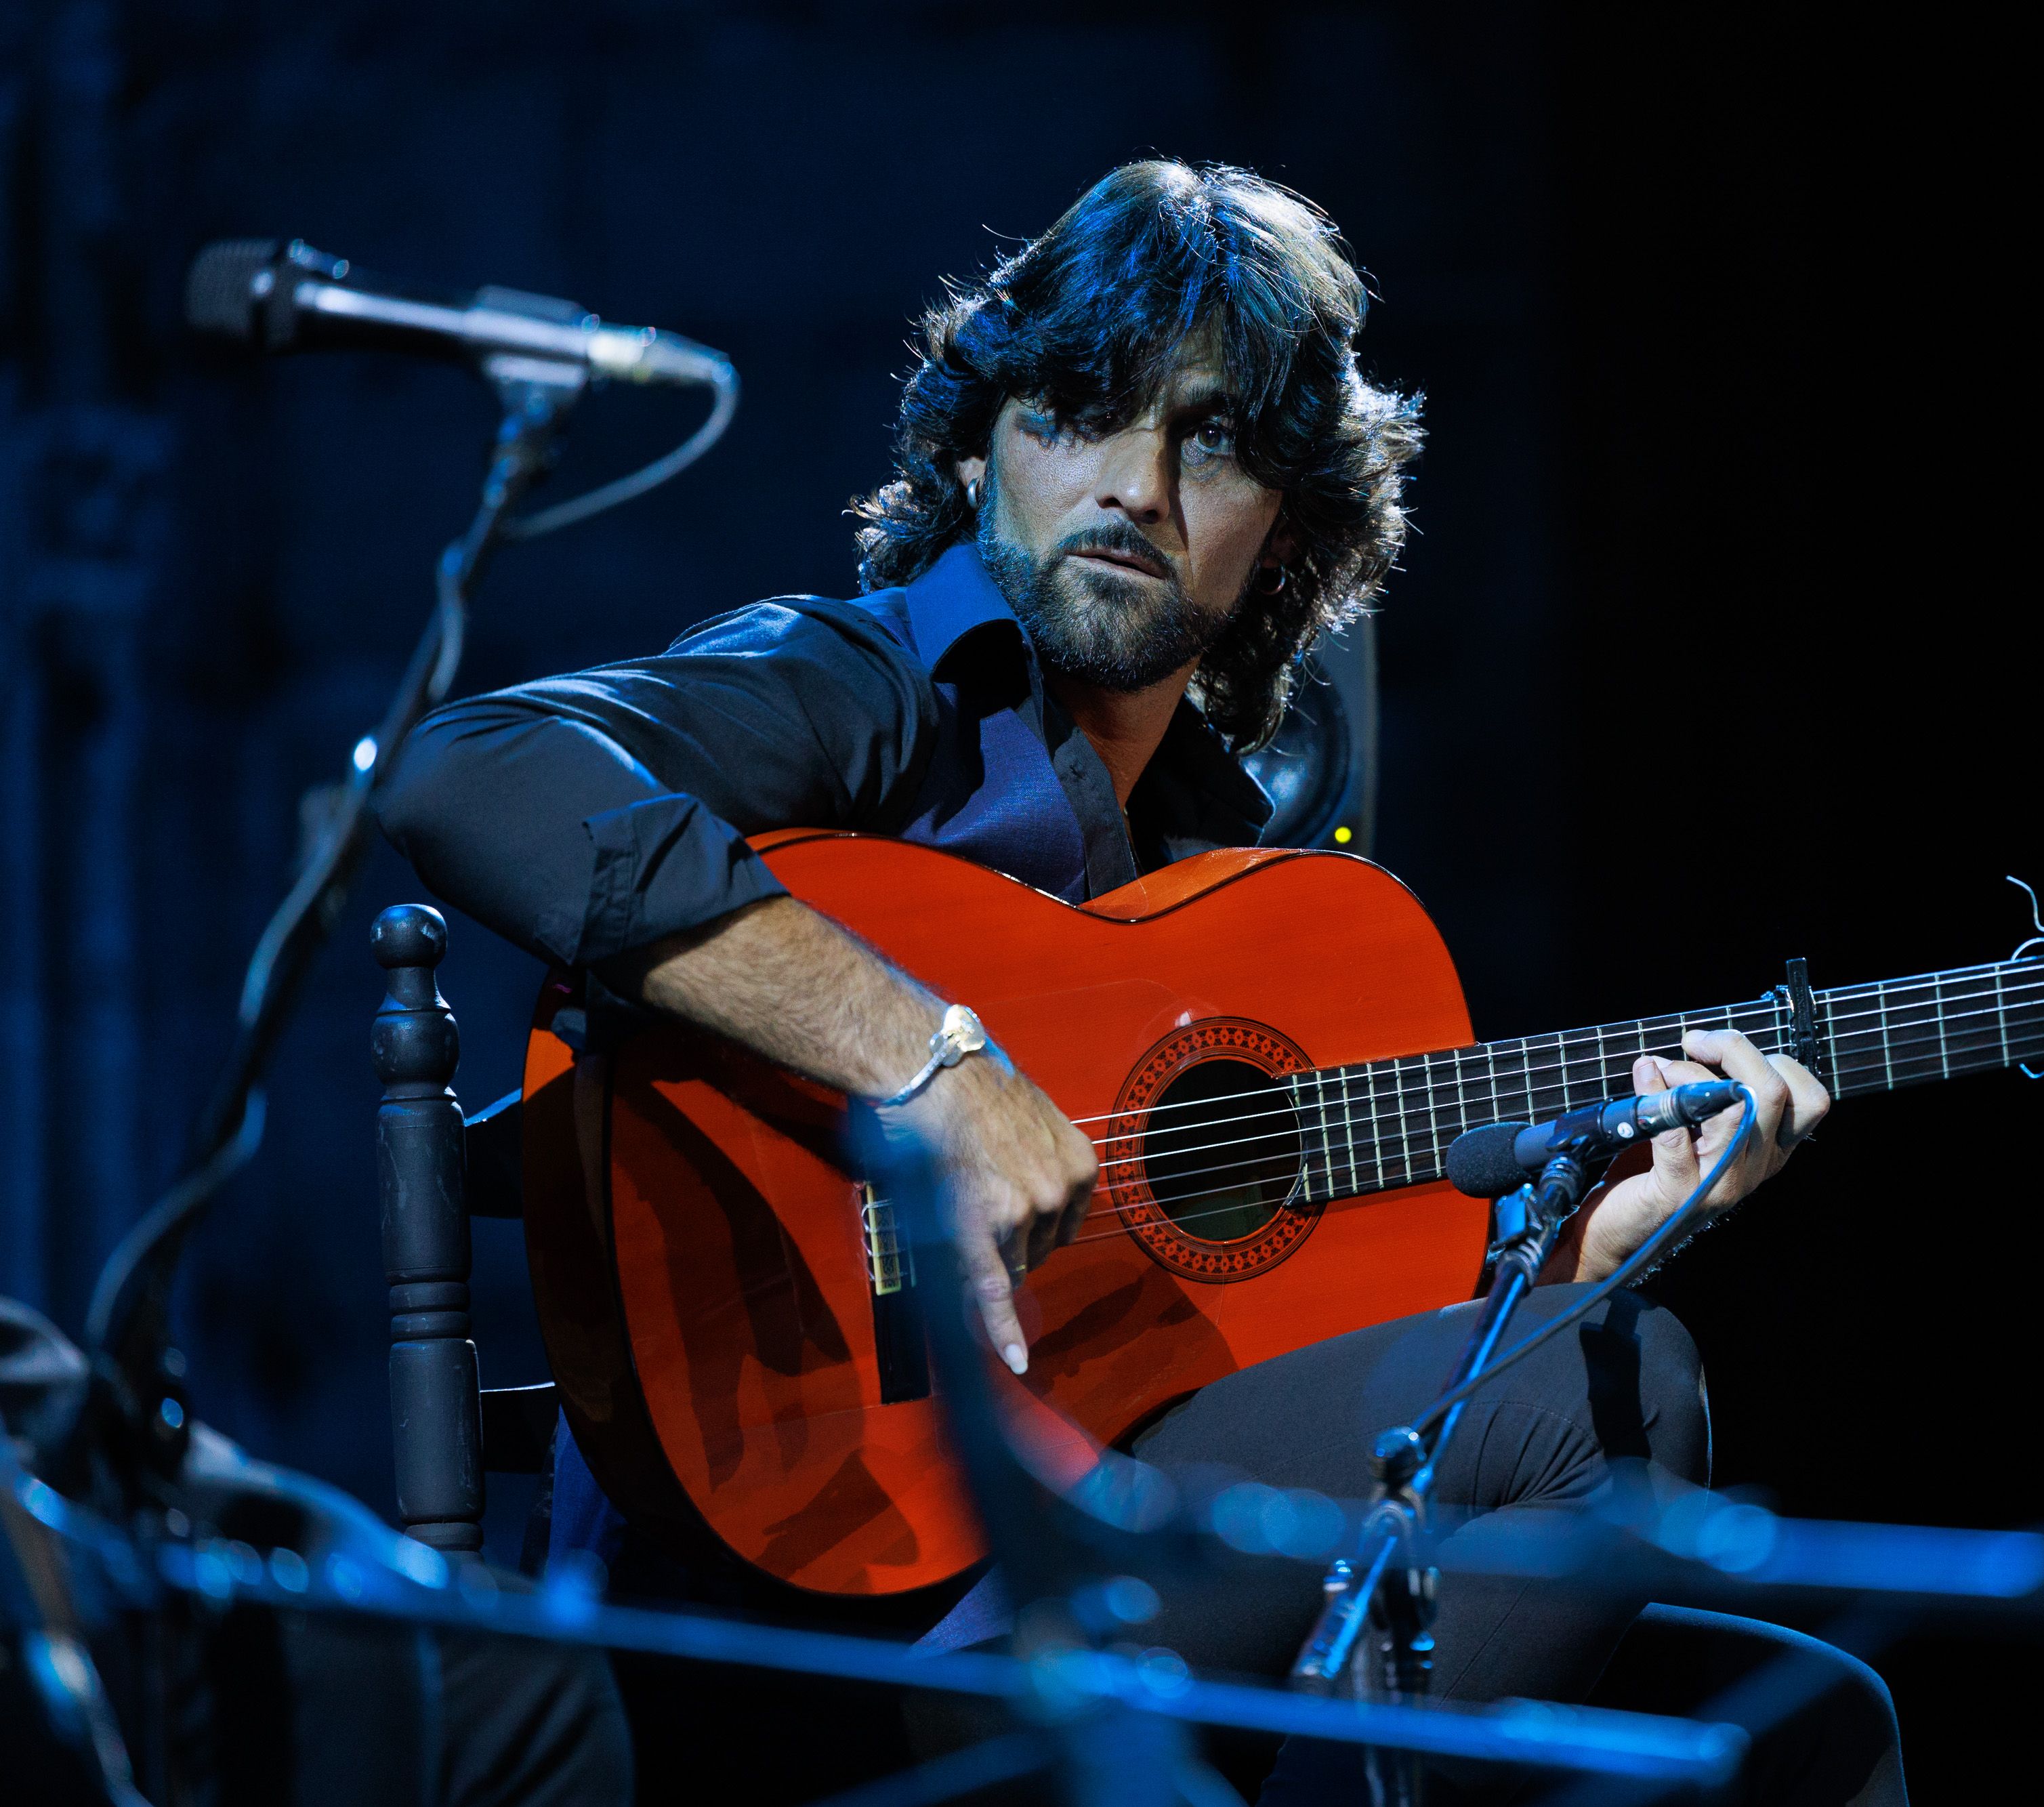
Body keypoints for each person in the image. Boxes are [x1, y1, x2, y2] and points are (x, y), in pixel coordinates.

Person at [379, 160, 1902, 1806]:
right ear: (976, 446)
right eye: (1080, 410)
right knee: (1608, 1395)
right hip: (833, 1610)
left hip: (1130, 1553)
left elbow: (1290, 1368)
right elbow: (467, 770)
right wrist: (924, 1059)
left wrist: (1577, 1254)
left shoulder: (1245, 884)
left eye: (1215, 441)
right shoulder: (867, 686)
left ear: (1289, 533)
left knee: (1804, 1719)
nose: (1134, 485)